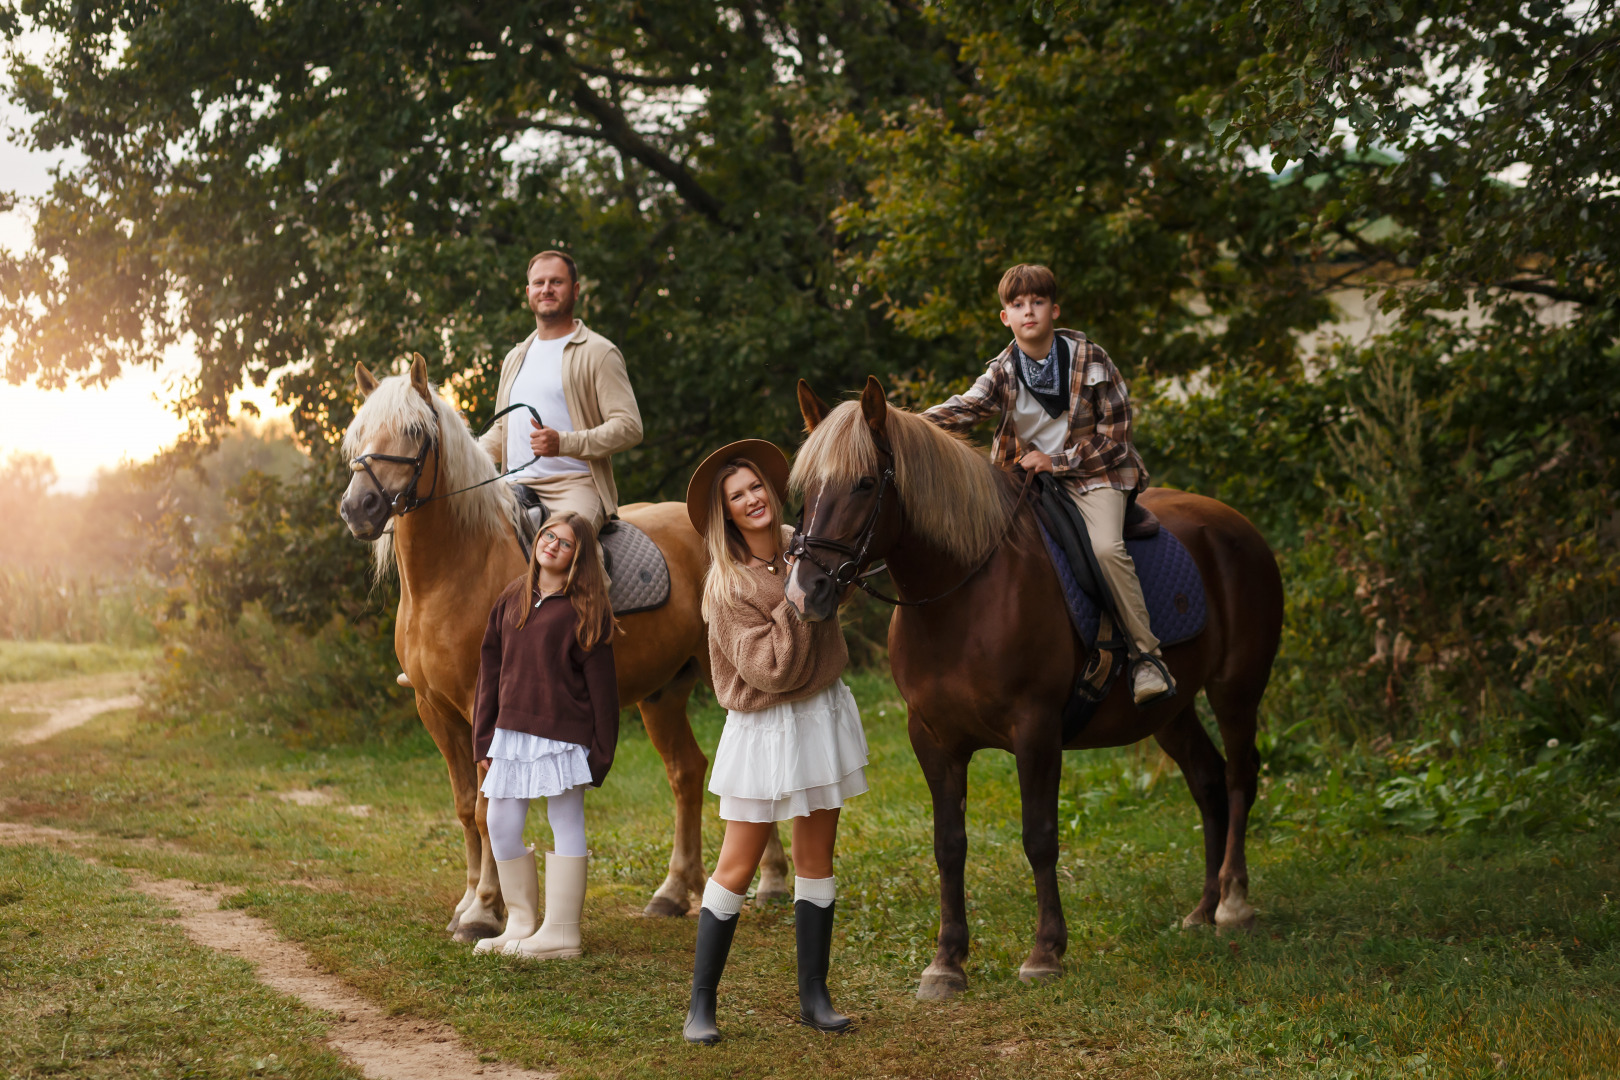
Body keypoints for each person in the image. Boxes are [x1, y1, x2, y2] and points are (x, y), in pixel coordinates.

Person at [680, 440, 869, 1045]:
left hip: (819, 715)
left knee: (816, 860)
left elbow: (842, 597)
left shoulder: (804, 545)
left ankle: (814, 994)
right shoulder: (726, 586)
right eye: (737, 496)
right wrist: (793, 599)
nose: (752, 499)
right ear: (726, 513)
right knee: (737, 865)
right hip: (763, 729)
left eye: (756, 487)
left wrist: (822, 575)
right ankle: (701, 1004)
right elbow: (769, 669)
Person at [922, 263, 1175, 706]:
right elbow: (964, 408)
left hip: (1095, 476)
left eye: (1037, 302)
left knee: (1106, 549)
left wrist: (1057, 461)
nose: (1028, 311)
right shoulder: (1002, 370)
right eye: (1017, 305)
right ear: (1005, 317)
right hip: (1029, 481)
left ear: (1054, 309)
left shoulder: (1090, 358)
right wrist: (898, 424)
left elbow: (1117, 438)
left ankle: (1146, 657)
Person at [471, 511, 619, 959]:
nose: (552, 545)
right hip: (512, 733)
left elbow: (604, 692)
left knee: (565, 820)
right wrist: (483, 737)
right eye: (548, 535)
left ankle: (561, 932)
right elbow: (489, 669)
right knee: (499, 821)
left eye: (566, 542)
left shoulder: (586, 609)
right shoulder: (512, 597)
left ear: (579, 557)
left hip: (563, 736)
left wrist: (600, 755)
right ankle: (520, 922)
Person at [478, 250, 642, 533]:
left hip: (574, 486)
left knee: (563, 550)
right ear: (529, 292)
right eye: (539, 283)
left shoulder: (599, 352)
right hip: (511, 488)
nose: (547, 289)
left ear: (575, 290)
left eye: (557, 282)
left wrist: (563, 443)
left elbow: (629, 428)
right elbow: (502, 430)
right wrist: (468, 454)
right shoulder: (514, 357)